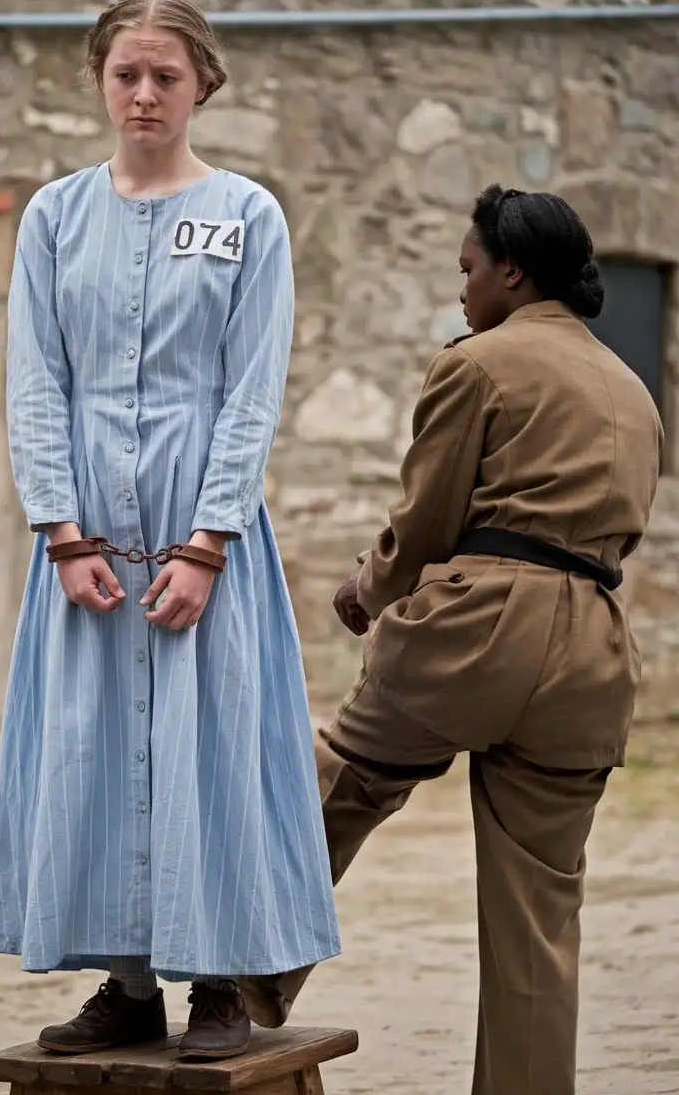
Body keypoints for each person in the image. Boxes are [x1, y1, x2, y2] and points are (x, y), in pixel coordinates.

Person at [238, 184, 663, 1095]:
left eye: (468, 270)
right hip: (591, 648)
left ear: (512, 270)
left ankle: (238, 982)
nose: (461, 290)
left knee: (336, 779)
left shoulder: (478, 363)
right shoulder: (634, 391)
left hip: (479, 627)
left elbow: (426, 523)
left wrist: (367, 587)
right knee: (539, 917)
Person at [0, 0, 339, 1062]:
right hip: (87, 534)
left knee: (213, 742)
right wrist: (61, 529)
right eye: (126, 73)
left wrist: (208, 542)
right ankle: (126, 983)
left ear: (202, 86)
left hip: (201, 529)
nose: (144, 93)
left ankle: (223, 984)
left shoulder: (248, 216)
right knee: (91, 744)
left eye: (166, 76)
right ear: (99, 79)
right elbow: (36, 380)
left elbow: (250, 391)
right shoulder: (53, 216)